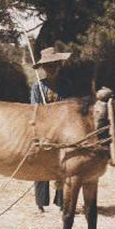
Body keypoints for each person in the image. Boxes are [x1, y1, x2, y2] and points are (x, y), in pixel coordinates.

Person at [30, 47, 73, 211]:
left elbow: (70, 107)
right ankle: (41, 203)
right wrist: (44, 112)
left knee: (64, 165)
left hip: (63, 129)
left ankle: (62, 202)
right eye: (48, 66)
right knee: (42, 164)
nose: (52, 69)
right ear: (43, 68)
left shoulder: (66, 85)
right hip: (44, 129)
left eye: (54, 65)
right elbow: (34, 109)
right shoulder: (37, 87)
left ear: (59, 65)